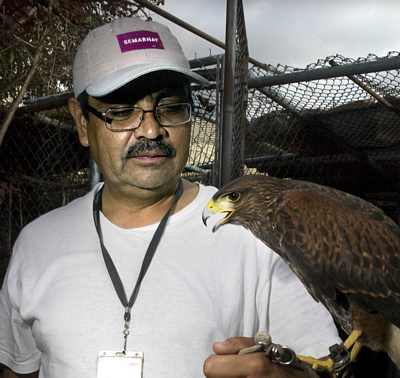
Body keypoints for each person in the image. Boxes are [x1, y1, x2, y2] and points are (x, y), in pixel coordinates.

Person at [0, 16, 341, 378]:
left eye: (172, 108)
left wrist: (286, 375)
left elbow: (328, 367)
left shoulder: (256, 240)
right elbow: (21, 368)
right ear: (82, 122)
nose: (151, 129)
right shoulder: (37, 243)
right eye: (121, 111)